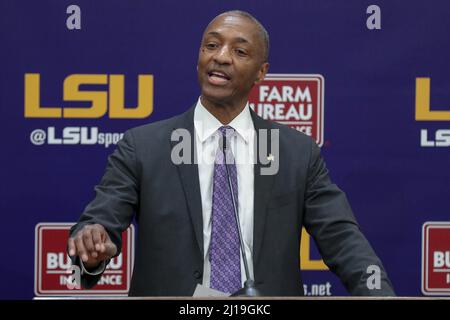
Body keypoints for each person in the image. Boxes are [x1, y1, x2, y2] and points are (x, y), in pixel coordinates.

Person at [67, 10, 395, 296]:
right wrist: (93, 245)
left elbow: (340, 236)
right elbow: (100, 222)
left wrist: (378, 294)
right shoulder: (143, 146)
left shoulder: (296, 153)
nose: (221, 57)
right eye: (211, 45)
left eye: (239, 50)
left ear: (261, 73)